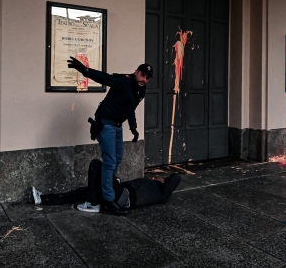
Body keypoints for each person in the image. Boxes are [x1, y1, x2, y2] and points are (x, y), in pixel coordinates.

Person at [67, 57, 153, 216]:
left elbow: (130, 108)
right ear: (136, 72)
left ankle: (108, 188)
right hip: (106, 123)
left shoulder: (141, 90)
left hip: (117, 125)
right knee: (110, 160)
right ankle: (108, 201)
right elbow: (105, 77)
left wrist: (133, 128)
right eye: (142, 75)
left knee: (118, 157)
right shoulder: (123, 81)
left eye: (147, 78)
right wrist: (85, 71)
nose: (144, 79)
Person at [32, 159, 181, 215]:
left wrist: (163, 180)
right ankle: (42, 199)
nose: (154, 177)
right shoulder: (151, 185)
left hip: (122, 198)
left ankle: (93, 205)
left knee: (97, 165)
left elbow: (177, 177)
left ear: (164, 182)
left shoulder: (162, 193)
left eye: (159, 178)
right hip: (114, 192)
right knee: (80, 192)